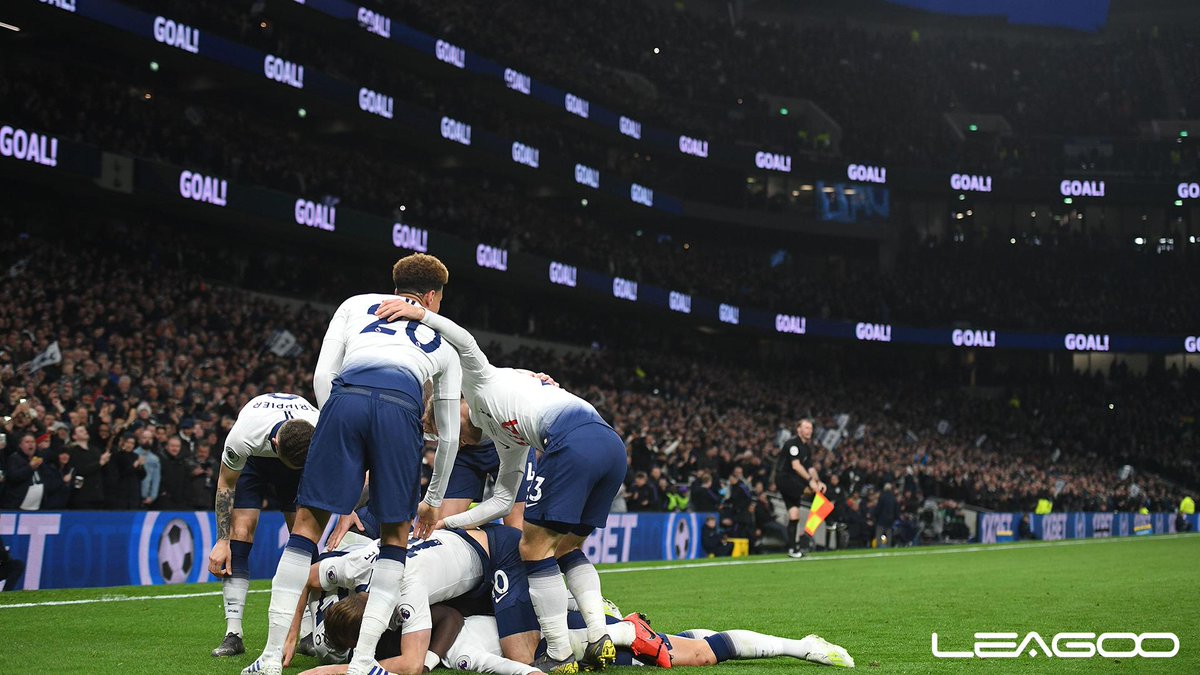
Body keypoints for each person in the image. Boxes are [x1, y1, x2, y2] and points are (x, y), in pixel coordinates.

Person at [375, 300, 628, 673]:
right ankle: (597, 635)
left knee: (531, 546)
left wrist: (422, 315)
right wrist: (449, 524)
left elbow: (464, 342)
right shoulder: (507, 440)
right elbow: (503, 499)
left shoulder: (479, 384)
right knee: (567, 547)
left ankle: (558, 652)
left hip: (572, 442)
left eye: (445, 433)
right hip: (610, 447)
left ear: (447, 412)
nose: (454, 443)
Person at [245, 254, 462, 675]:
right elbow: (449, 434)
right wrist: (433, 499)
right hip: (401, 407)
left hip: (343, 400)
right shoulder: (445, 344)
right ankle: (364, 661)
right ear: (433, 297)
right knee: (396, 539)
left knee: (306, 528)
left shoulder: (354, 303)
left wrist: (339, 432)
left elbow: (322, 375)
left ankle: (270, 657)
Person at [207, 392, 319, 659]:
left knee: (304, 535)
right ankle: (233, 634)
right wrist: (222, 541)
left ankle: (308, 632)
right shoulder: (243, 436)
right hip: (254, 460)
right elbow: (226, 484)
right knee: (241, 530)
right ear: (275, 443)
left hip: (299, 456)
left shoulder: (320, 429)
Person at [775, 420, 824, 558]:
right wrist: (811, 482)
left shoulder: (806, 448)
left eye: (811, 428)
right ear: (799, 430)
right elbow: (796, 466)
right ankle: (807, 535)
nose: (809, 430)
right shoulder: (792, 444)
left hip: (793, 482)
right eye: (806, 427)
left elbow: (810, 468)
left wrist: (818, 481)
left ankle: (793, 548)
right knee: (814, 492)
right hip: (785, 480)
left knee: (794, 514)